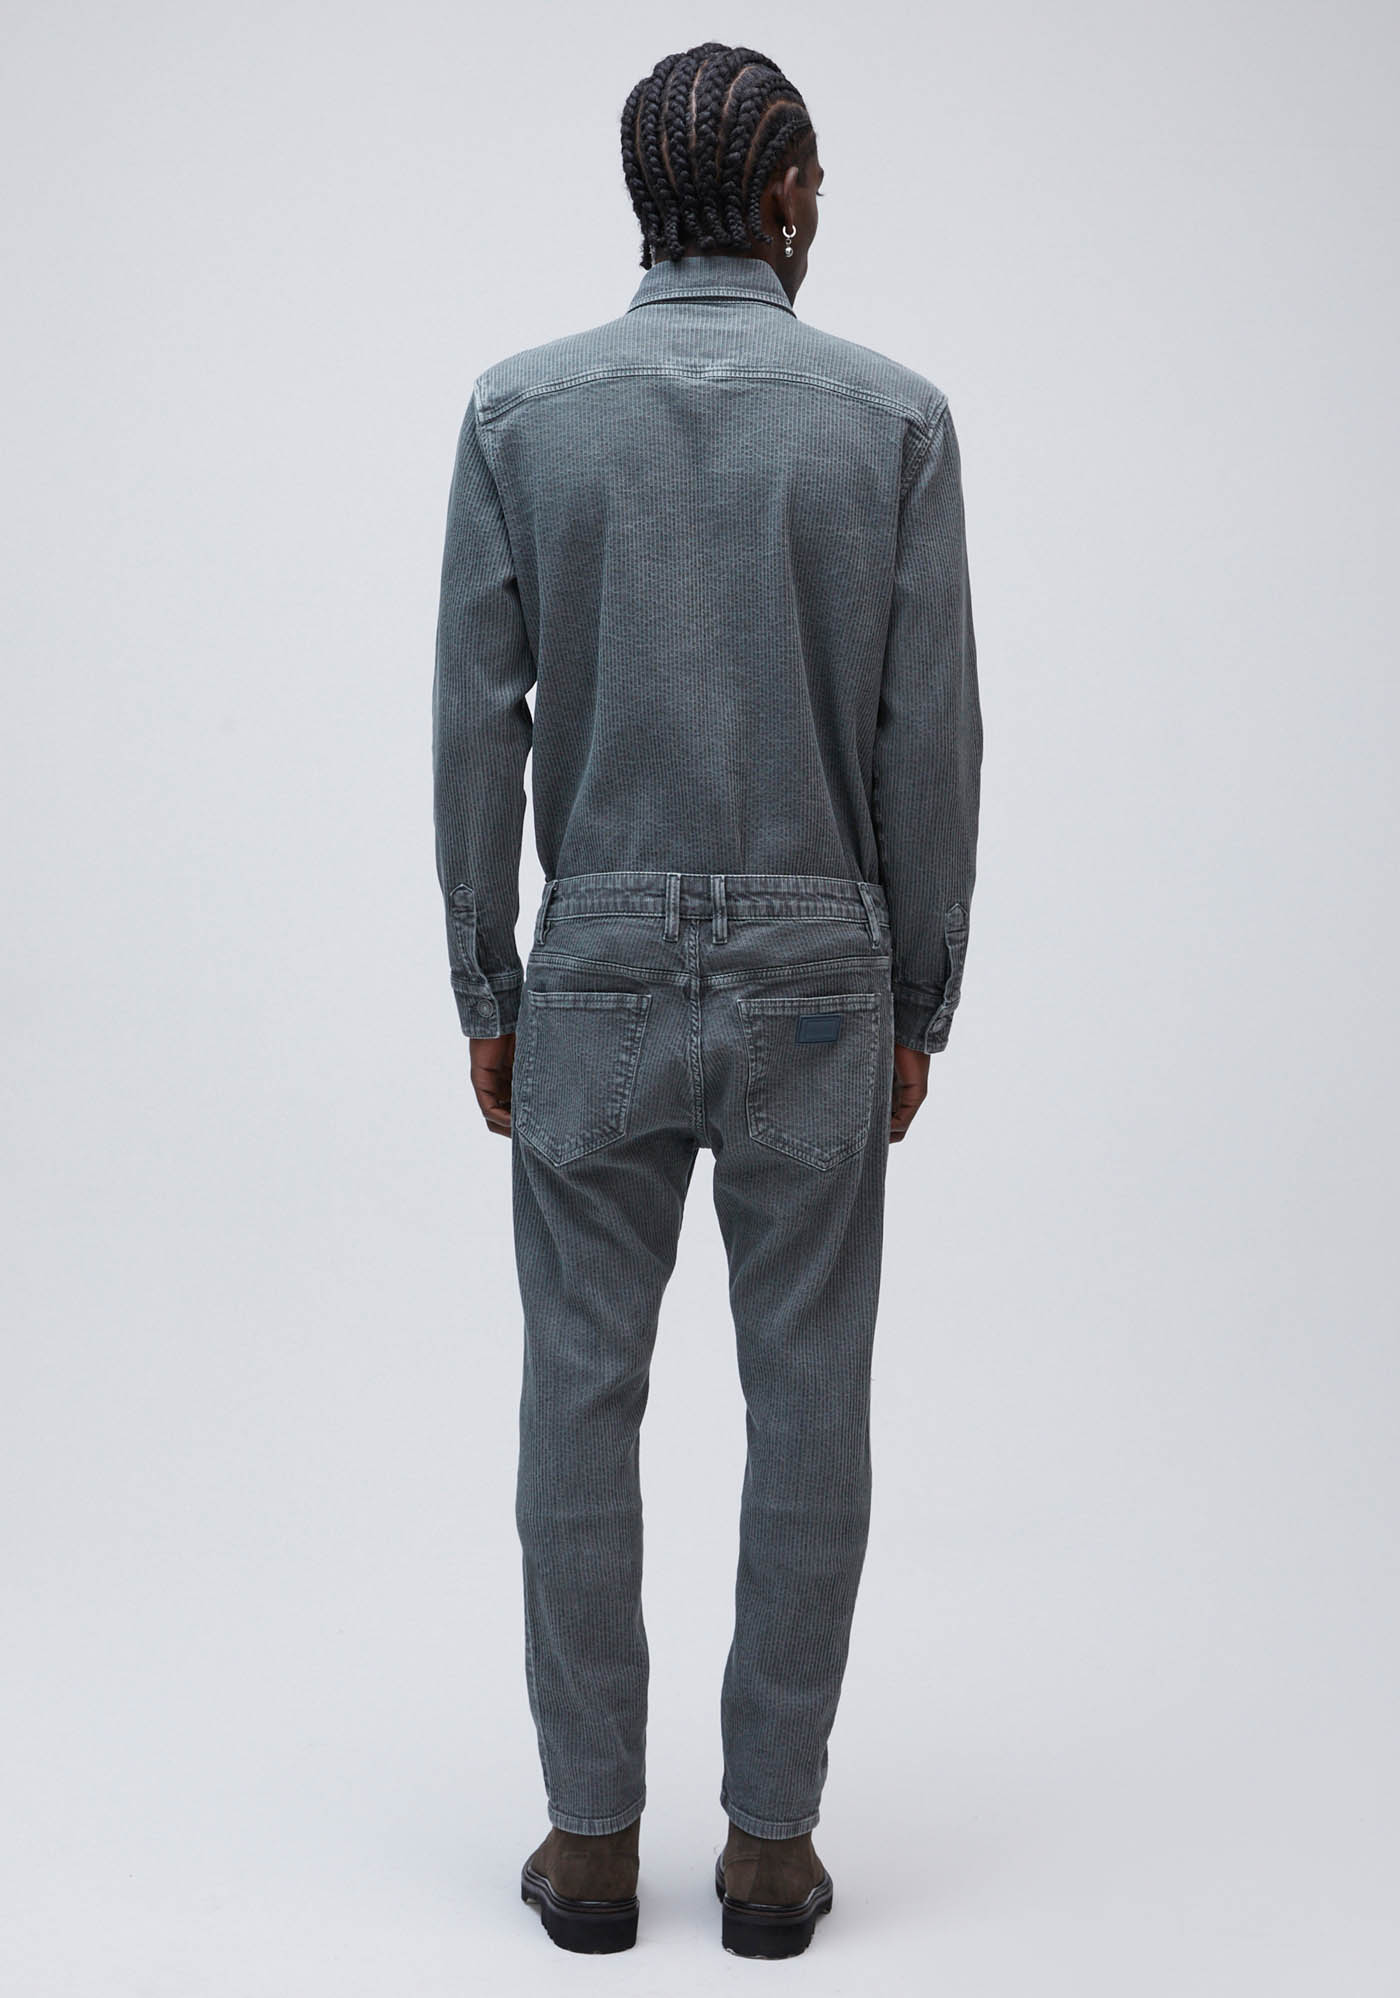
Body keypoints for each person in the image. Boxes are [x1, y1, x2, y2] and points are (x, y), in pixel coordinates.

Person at [432, 41, 983, 1959]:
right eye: (813, 184)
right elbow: (932, 736)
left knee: (577, 1395)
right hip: (821, 970)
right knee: (807, 1394)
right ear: (786, 193)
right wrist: (918, 992)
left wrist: (487, 977)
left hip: (589, 965)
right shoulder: (893, 422)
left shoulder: (523, 413)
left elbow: (474, 723)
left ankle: (589, 1846)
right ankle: (770, 1849)